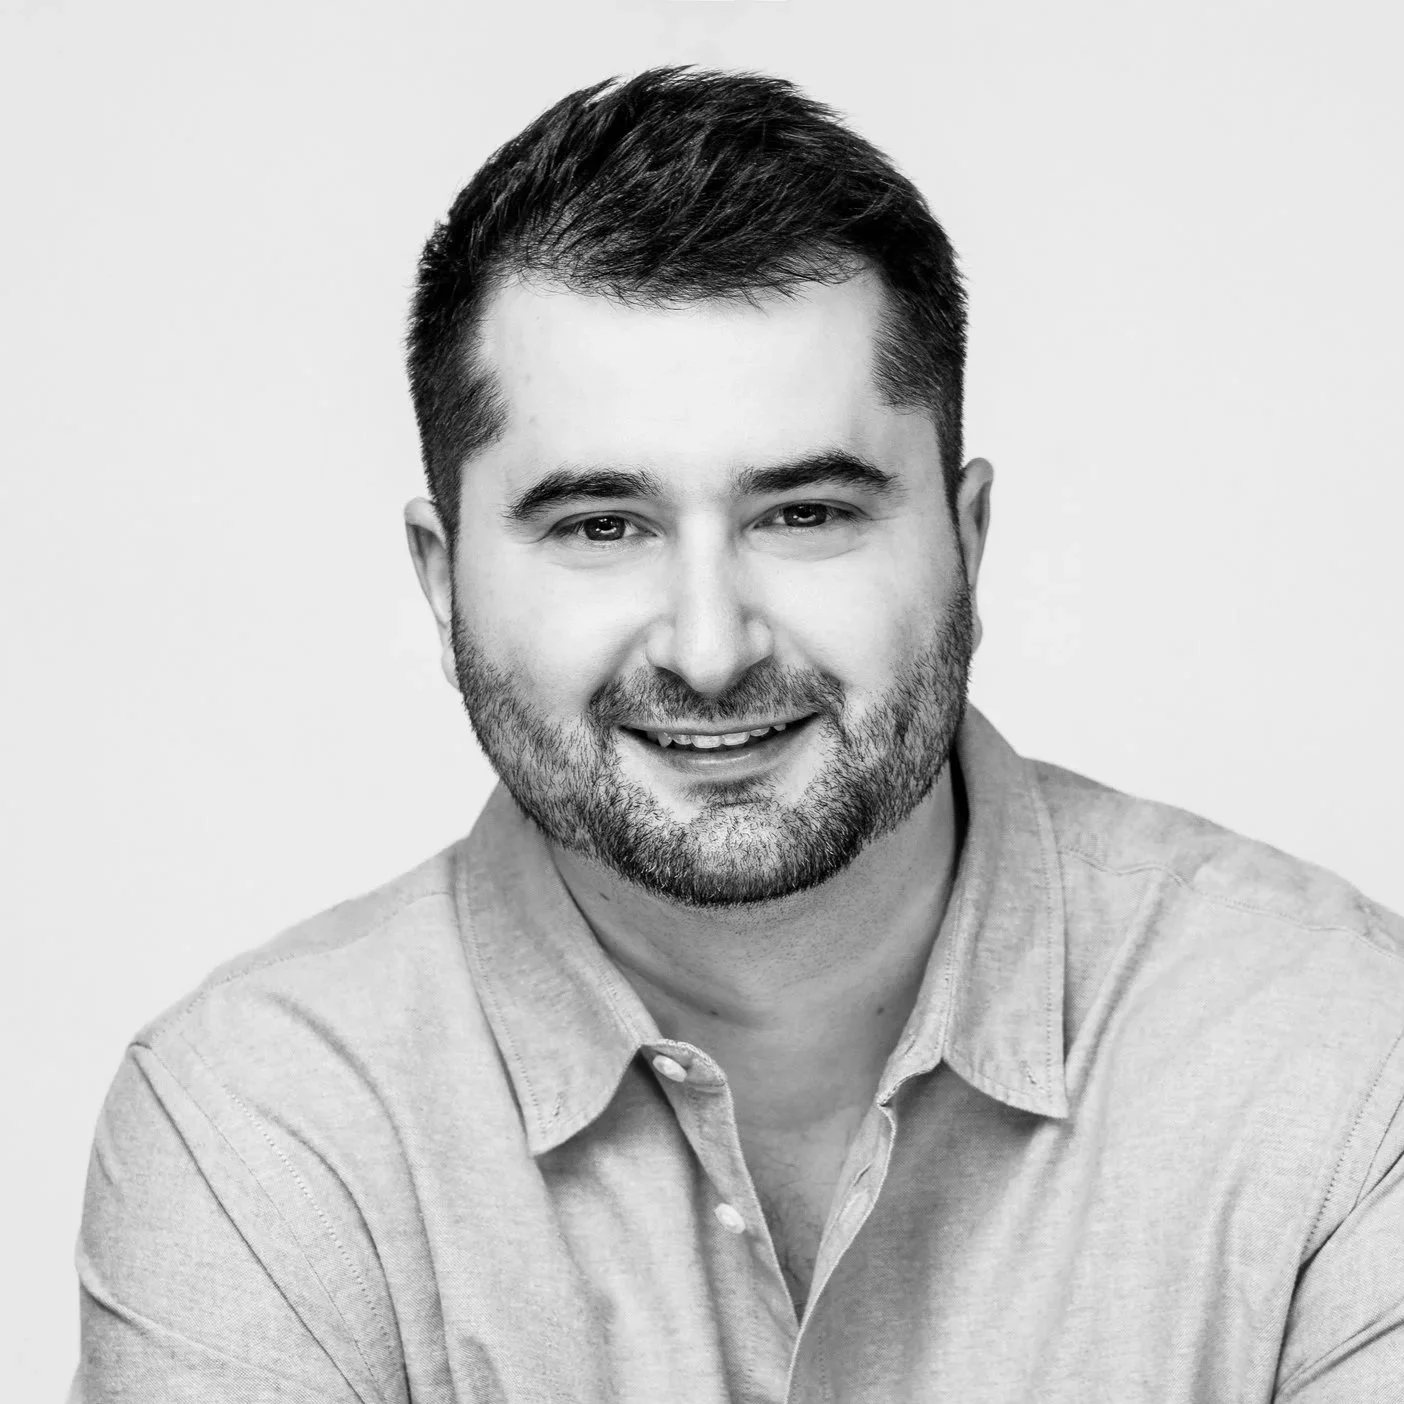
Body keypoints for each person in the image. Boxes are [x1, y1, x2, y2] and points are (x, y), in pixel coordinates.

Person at [71, 66, 1404, 1403]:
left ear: (969, 542)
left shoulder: (1339, 1050)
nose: (710, 650)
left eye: (806, 513)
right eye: (601, 527)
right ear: (443, 579)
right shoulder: (257, 1132)